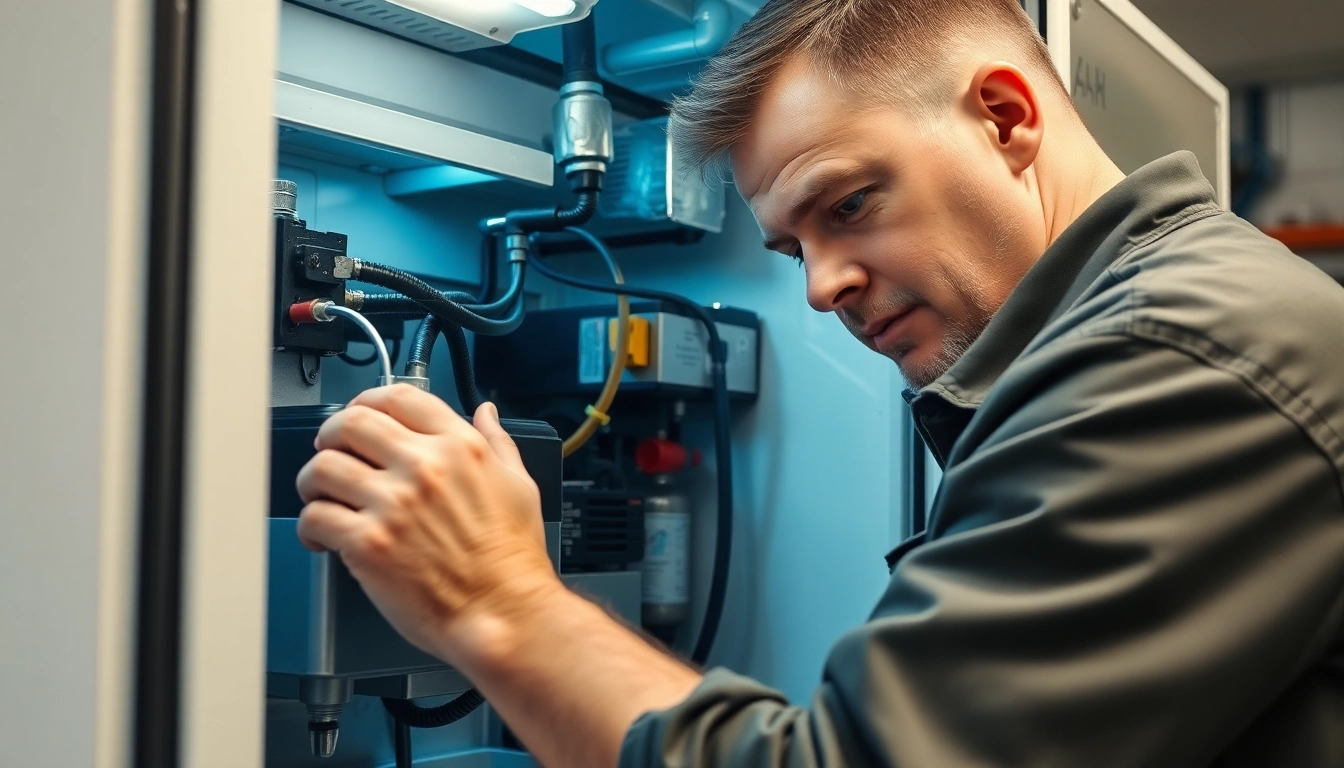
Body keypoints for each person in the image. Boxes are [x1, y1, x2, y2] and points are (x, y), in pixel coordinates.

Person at [294, 0, 1344, 765]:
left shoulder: (1172, 356)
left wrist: (495, 598)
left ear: (1006, 117)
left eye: (846, 205)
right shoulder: (1128, 334)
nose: (823, 288)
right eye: (793, 249)